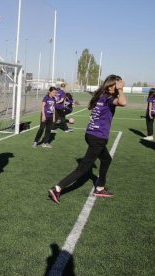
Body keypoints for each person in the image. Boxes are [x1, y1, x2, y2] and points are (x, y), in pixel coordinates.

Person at [48, 75, 127, 204]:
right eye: (116, 85)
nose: (118, 88)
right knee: (83, 168)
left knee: (106, 159)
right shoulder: (108, 98)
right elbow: (123, 102)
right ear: (111, 85)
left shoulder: (100, 96)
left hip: (91, 134)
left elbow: (93, 106)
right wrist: (121, 90)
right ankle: (57, 188)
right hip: (98, 137)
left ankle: (100, 187)